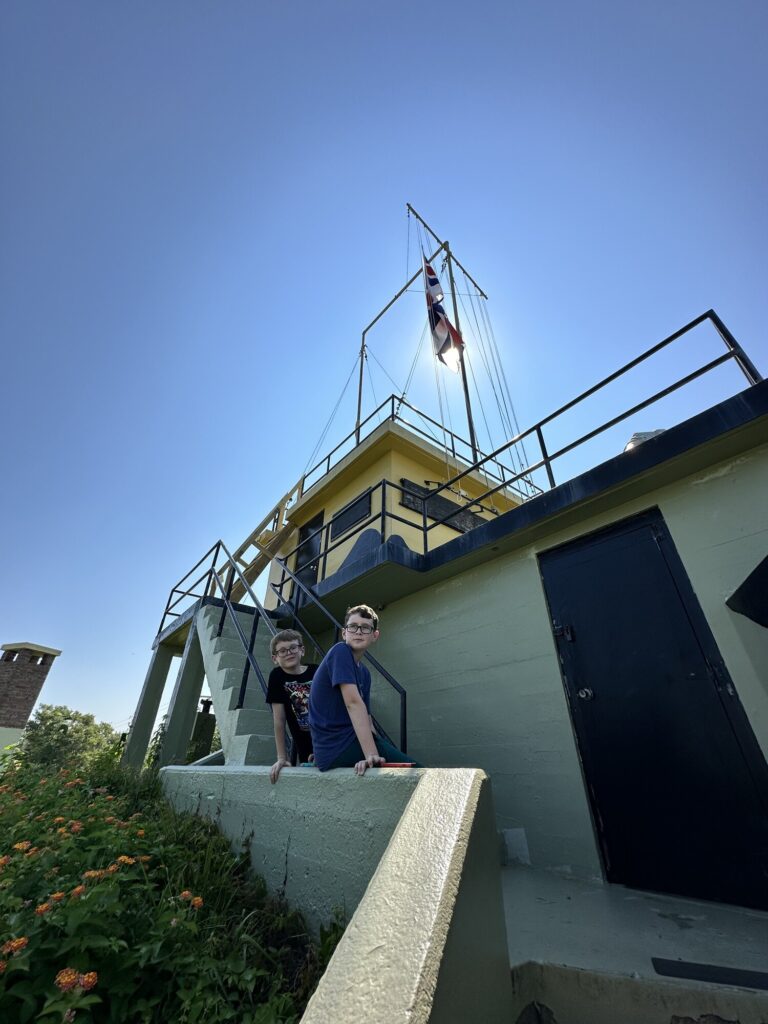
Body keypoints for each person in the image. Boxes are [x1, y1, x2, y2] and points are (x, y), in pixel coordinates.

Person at [309, 604, 415, 775]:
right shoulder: (340, 651)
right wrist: (371, 754)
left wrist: (377, 747)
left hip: (350, 743)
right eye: (353, 627)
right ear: (344, 633)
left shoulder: (364, 673)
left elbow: (366, 717)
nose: (358, 631)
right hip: (337, 748)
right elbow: (353, 703)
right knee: (419, 771)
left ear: (375, 635)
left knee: (403, 765)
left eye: (365, 628)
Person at [266, 630, 318, 783]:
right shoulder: (277, 677)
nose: (289, 652)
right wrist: (282, 757)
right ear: (275, 658)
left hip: (328, 741)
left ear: (302, 650)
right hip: (306, 749)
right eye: (282, 651)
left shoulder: (317, 671)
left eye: (293, 647)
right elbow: (279, 720)